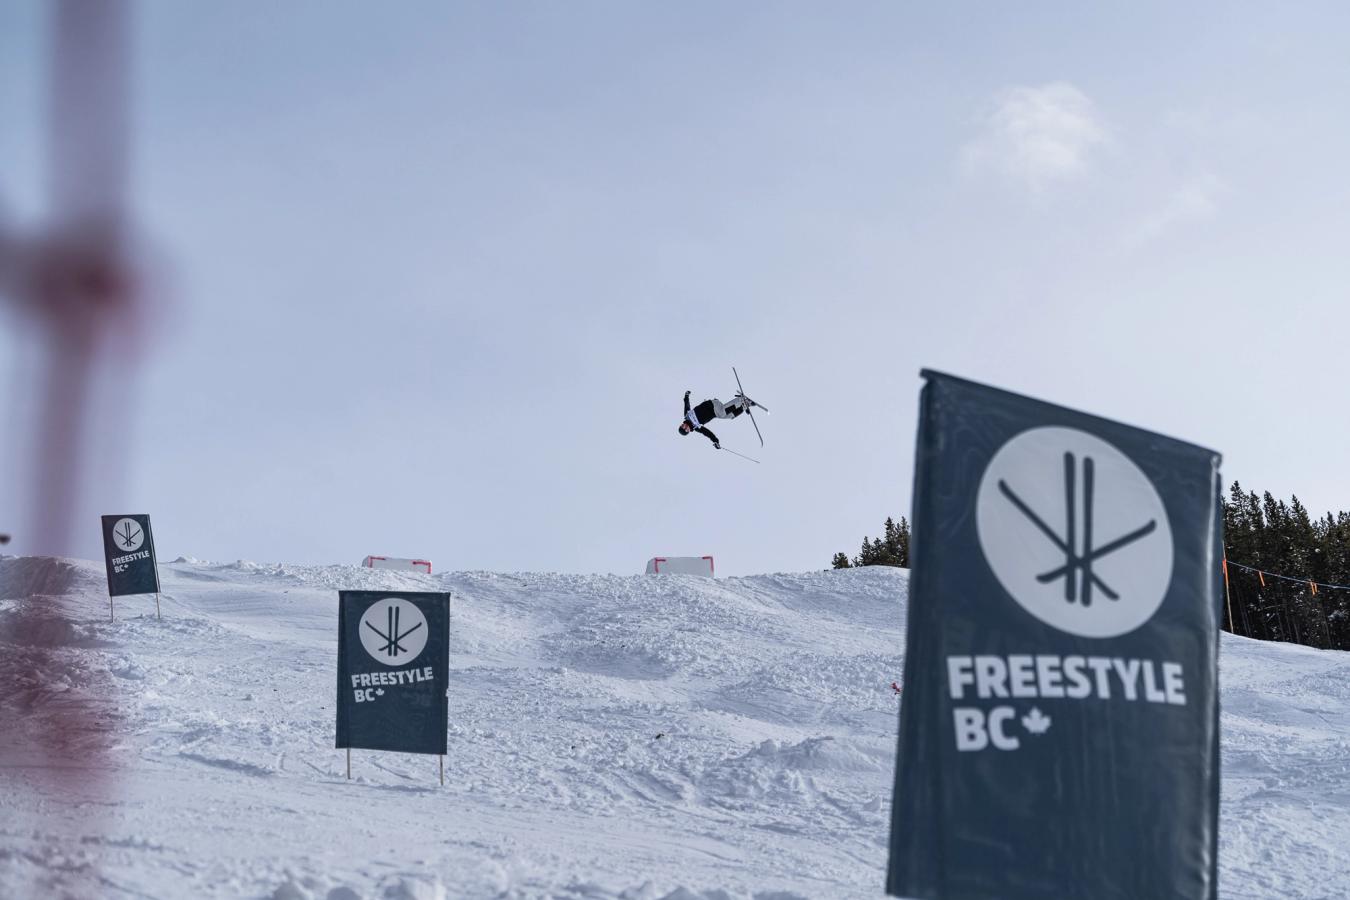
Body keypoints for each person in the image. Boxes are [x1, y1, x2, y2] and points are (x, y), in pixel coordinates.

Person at [678, 389, 752, 449]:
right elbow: (707, 433)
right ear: (688, 431)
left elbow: (687, 405)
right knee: (729, 416)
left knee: (722, 413)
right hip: (715, 412)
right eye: (685, 429)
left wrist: (686, 396)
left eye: (682, 426)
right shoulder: (696, 427)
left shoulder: (687, 415)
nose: (685, 426)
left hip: (711, 405)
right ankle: (744, 406)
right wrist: (715, 441)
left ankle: (741, 400)